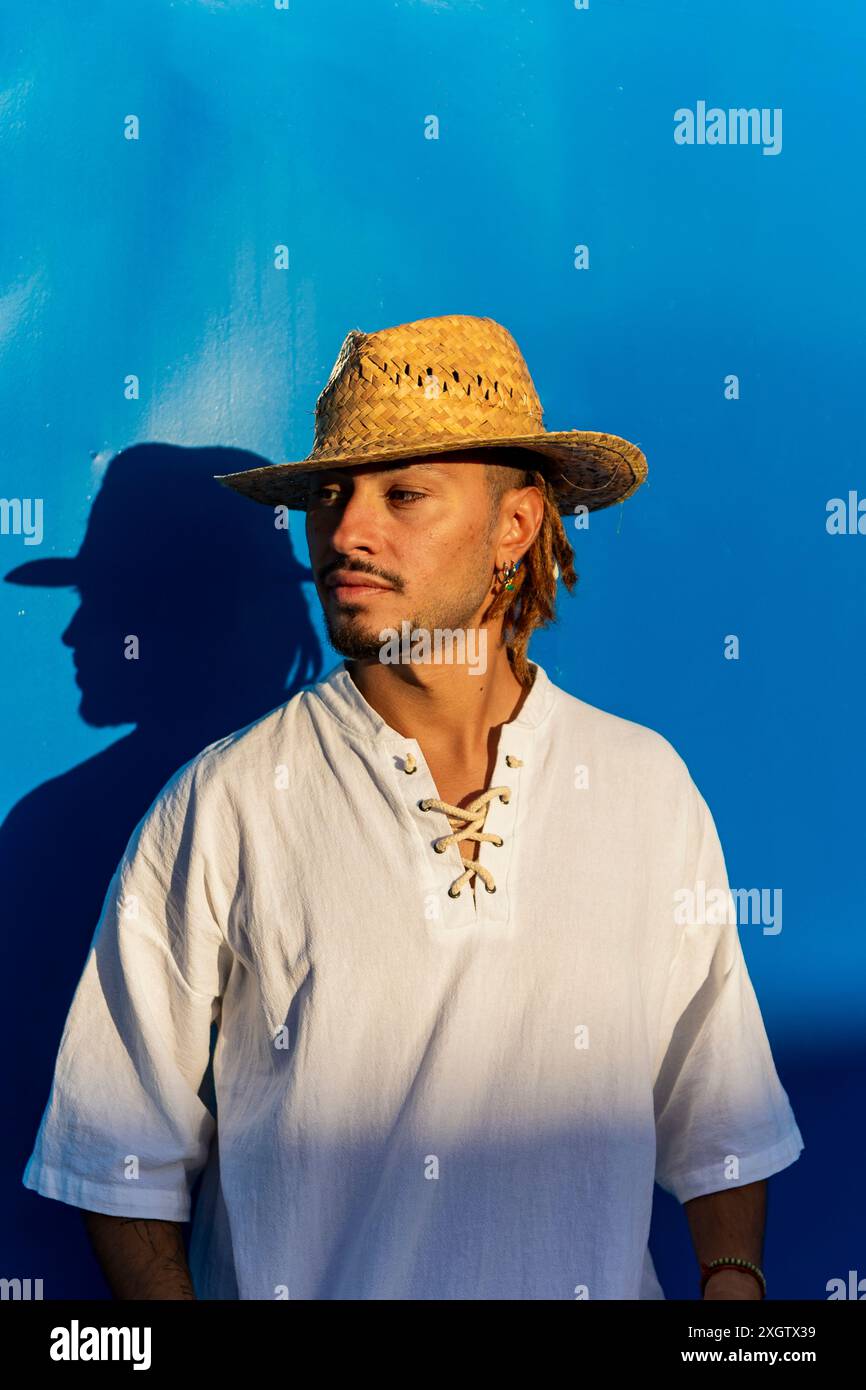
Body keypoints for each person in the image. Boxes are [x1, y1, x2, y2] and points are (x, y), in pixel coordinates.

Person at [22, 313, 803, 1300]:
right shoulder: (222, 805)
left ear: (512, 527)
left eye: (403, 495)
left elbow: (719, 1110)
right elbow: (116, 1145)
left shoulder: (642, 785)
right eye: (333, 496)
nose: (345, 531)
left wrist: (731, 1287)